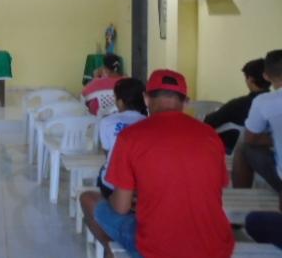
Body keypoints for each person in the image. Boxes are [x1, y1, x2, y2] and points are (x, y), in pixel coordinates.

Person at [90, 69, 233, 258]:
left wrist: (119, 198)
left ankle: (113, 251)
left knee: (90, 200)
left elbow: (121, 207)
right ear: (186, 102)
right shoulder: (210, 136)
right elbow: (216, 189)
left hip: (158, 248)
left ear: (146, 98)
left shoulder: (130, 138)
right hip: (215, 247)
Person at [79, 78, 147, 239]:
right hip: (144, 187)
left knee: (103, 176)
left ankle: (109, 238)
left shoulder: (108, 122)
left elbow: (108, 153)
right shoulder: (149, 122)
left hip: (113, 186)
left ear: (121, 102)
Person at [233, 50, 282, 191]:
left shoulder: (264, 102)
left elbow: (250, 138)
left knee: (244, 146)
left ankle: (241, 199)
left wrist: (274, 139)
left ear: (266, 76)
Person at [205, 58, 270, 153]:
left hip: (230, 149)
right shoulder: (275, 102)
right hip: (265, 151)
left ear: (250, 79)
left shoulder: (238, 104)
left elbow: (208, 123)